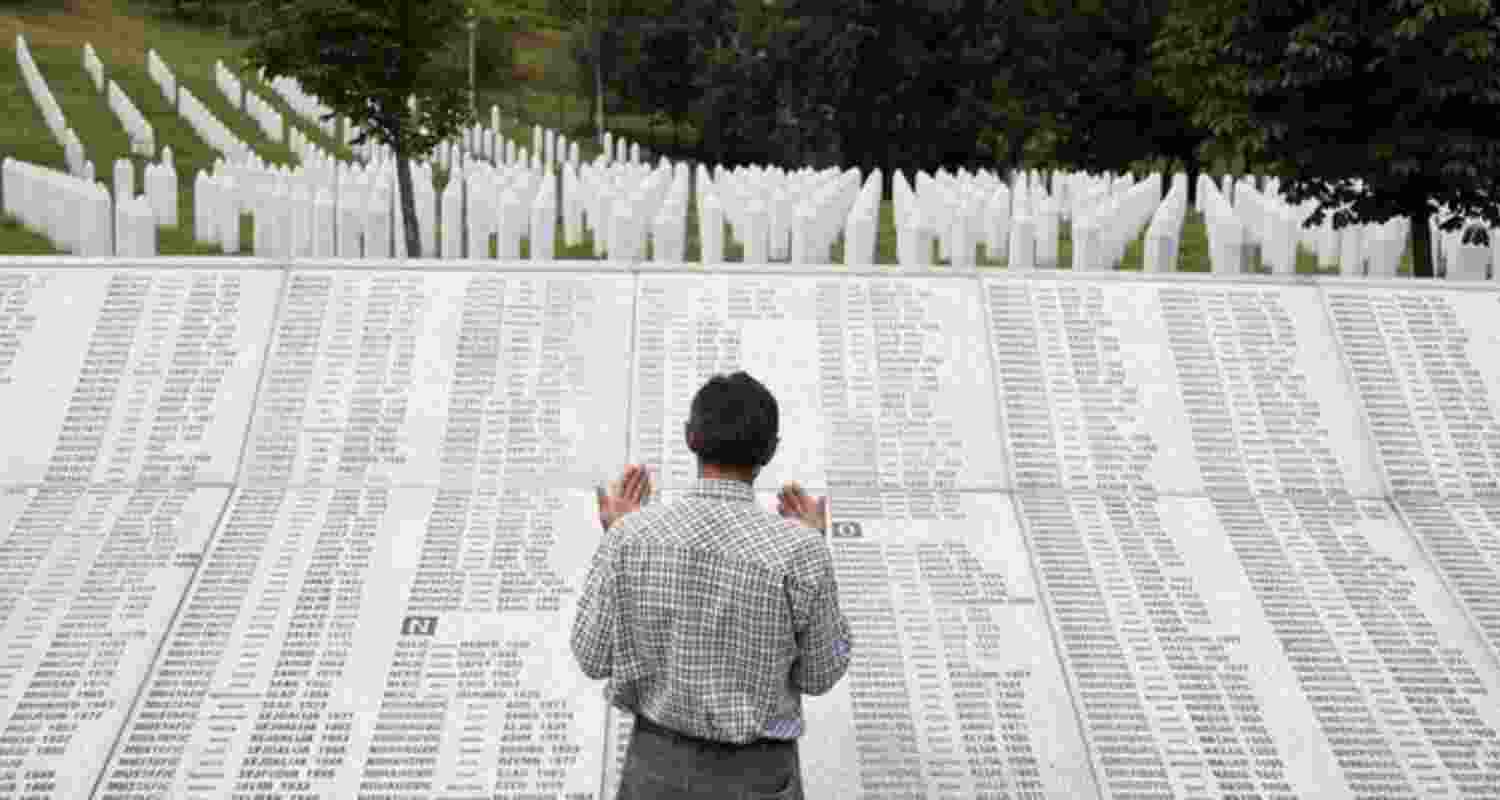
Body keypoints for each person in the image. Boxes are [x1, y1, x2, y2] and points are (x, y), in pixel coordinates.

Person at [571, 371, 853, 800]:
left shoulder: (629, 539)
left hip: (655, 770)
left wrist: (617, 534)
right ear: (770, 451)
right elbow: (822, 671)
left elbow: (591, 657)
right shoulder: (801, 552)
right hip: (760, 775)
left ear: (690, 438)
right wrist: (816, 548)